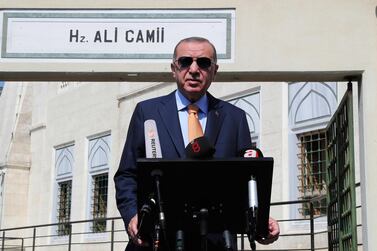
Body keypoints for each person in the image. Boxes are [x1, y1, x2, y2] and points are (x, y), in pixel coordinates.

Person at [114, 37, 280, 250]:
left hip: (214, 241)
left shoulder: (235, 118)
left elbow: (246, 179)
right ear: (174, 68)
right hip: (156, 239)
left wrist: (259, 222)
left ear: (214, 70)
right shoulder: (147, 112)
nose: (193, 69)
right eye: (185, 62)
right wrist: (132, 217)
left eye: (203, 63)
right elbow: (127, 174)